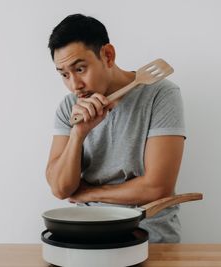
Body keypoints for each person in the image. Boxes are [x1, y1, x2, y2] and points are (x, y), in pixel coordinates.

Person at [45, 14, 186, 242]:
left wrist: (89, 193)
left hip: (149, 235)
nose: (74, 85)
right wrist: (78, 135)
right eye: (64, 74)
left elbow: (157, 187)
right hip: (86, 233)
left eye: (80, 69)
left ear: (107, 56)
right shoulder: (69, 108)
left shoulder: (160, 95)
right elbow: (60, 188)